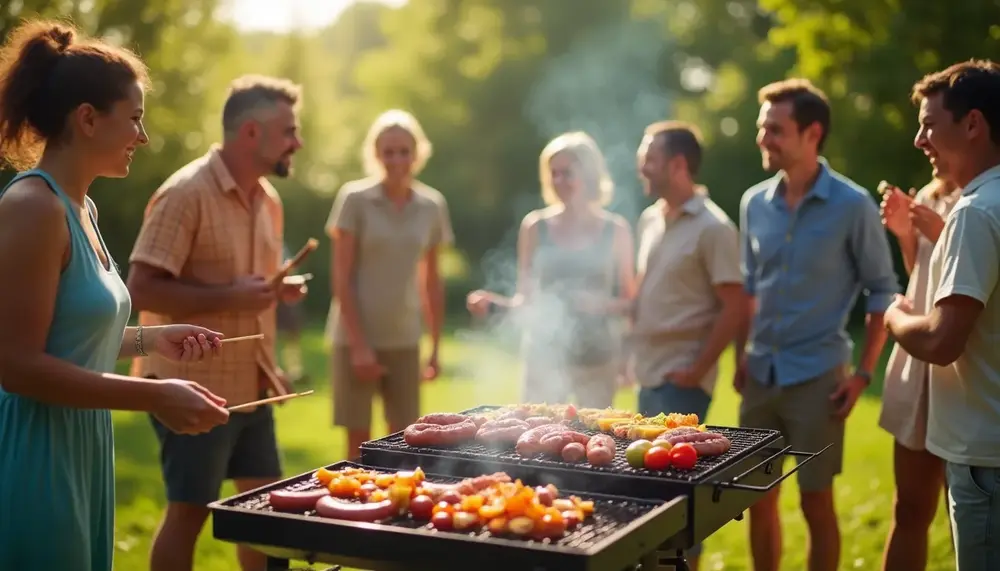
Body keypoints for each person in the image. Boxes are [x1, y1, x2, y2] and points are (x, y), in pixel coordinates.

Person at [0, 20, 231, 571]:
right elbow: (17, 365)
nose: (142, 137)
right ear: (87, 119)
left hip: (83, 445)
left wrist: (155, 339)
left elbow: (70, 333)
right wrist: (155, 395)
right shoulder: (33, 208)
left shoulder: (84, 208)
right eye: (134, 119)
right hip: (36, 452)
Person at [126, 74, 307, 571]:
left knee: (265, 511)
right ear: (251, 133)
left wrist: (274, 289)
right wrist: (232, 296)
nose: (297, 142)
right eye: (289, 131)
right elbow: (141, 289)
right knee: (189, 514)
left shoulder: (269, 200)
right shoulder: (185, 193)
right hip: (191, 387)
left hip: (252, 384)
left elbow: (246, 287)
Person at [736, 78, 899, 571]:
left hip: (818, 380)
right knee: (757, 500)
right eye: (762, 127)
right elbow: (749, 288)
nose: (763, 138)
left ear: (812, 134)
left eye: (775, 129)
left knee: (815, 503)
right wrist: (742, 354)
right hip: (760, 377)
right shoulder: (753, 203)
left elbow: (882, 290)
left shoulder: (853, 205)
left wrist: (863, 374)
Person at [884, 59, 1000, 571]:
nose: (919, 140)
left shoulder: (974, 212)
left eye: (929, 125)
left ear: (973, 124)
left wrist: (893, 318)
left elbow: (940, 341)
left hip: (986, 456)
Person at [627, 121, 745, 570]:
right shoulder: (650, 218)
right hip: (649, 373)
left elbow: (735, 306)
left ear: (678, 165)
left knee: (676, 497)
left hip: (683, 379)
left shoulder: (714, 227)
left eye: (649, 159)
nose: (642, 167)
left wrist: (697, 370)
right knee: (651, 491)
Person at [466, 131, 635, 408]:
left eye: (567, 173)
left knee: (593, 434)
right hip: (543, 358)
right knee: (537, 433)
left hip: (598, 358)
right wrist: (494, 304)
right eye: (553, 173)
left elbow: (632, 303)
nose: (558, 181)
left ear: (590, 174)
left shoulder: (616, 230)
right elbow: (526, 301)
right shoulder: (535, 226)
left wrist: (601, 305)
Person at [326, 109, 452, 457]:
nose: (396, 160)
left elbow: (432, 282)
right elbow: (341, 276)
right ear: (375, 154)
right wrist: (359, 345)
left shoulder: (432, 205)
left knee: (404, 442)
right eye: (388, 151)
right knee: (358, 446)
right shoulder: (354, 199)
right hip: (353, 338)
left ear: (417, 153)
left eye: (404, 151)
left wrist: (435, 347)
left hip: (404, 338)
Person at [877, 177, 959, 571]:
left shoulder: (986, 197)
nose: (921, 145)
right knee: (908, 508)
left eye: (930, 143)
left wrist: (943, 235)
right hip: (920, 365)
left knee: (968, 518)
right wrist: (905, 235)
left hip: (964, 373)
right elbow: (923, 277)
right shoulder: (931, 194)